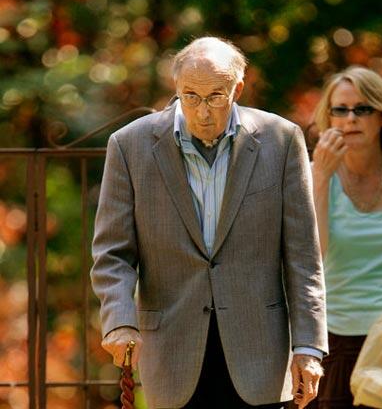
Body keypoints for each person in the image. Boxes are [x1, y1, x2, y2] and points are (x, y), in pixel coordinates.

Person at [91, 36, 327, 409]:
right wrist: (119, 319)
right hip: (172, 354)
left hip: (261, 358)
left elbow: (302, 257)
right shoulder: (129, 146)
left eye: (216, 96)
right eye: (191, 96)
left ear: (238, 88)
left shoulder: (281, 141)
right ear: (176, 88)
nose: (202, 112)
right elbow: (112, 253)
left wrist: (309, 347)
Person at [310, 66, 382, 408]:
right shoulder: (313, 174)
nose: (351, 119)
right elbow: (313, 256)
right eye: (340, 109)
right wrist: (320, 177)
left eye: (362, 109)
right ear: (329, 118)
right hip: (334, 340)